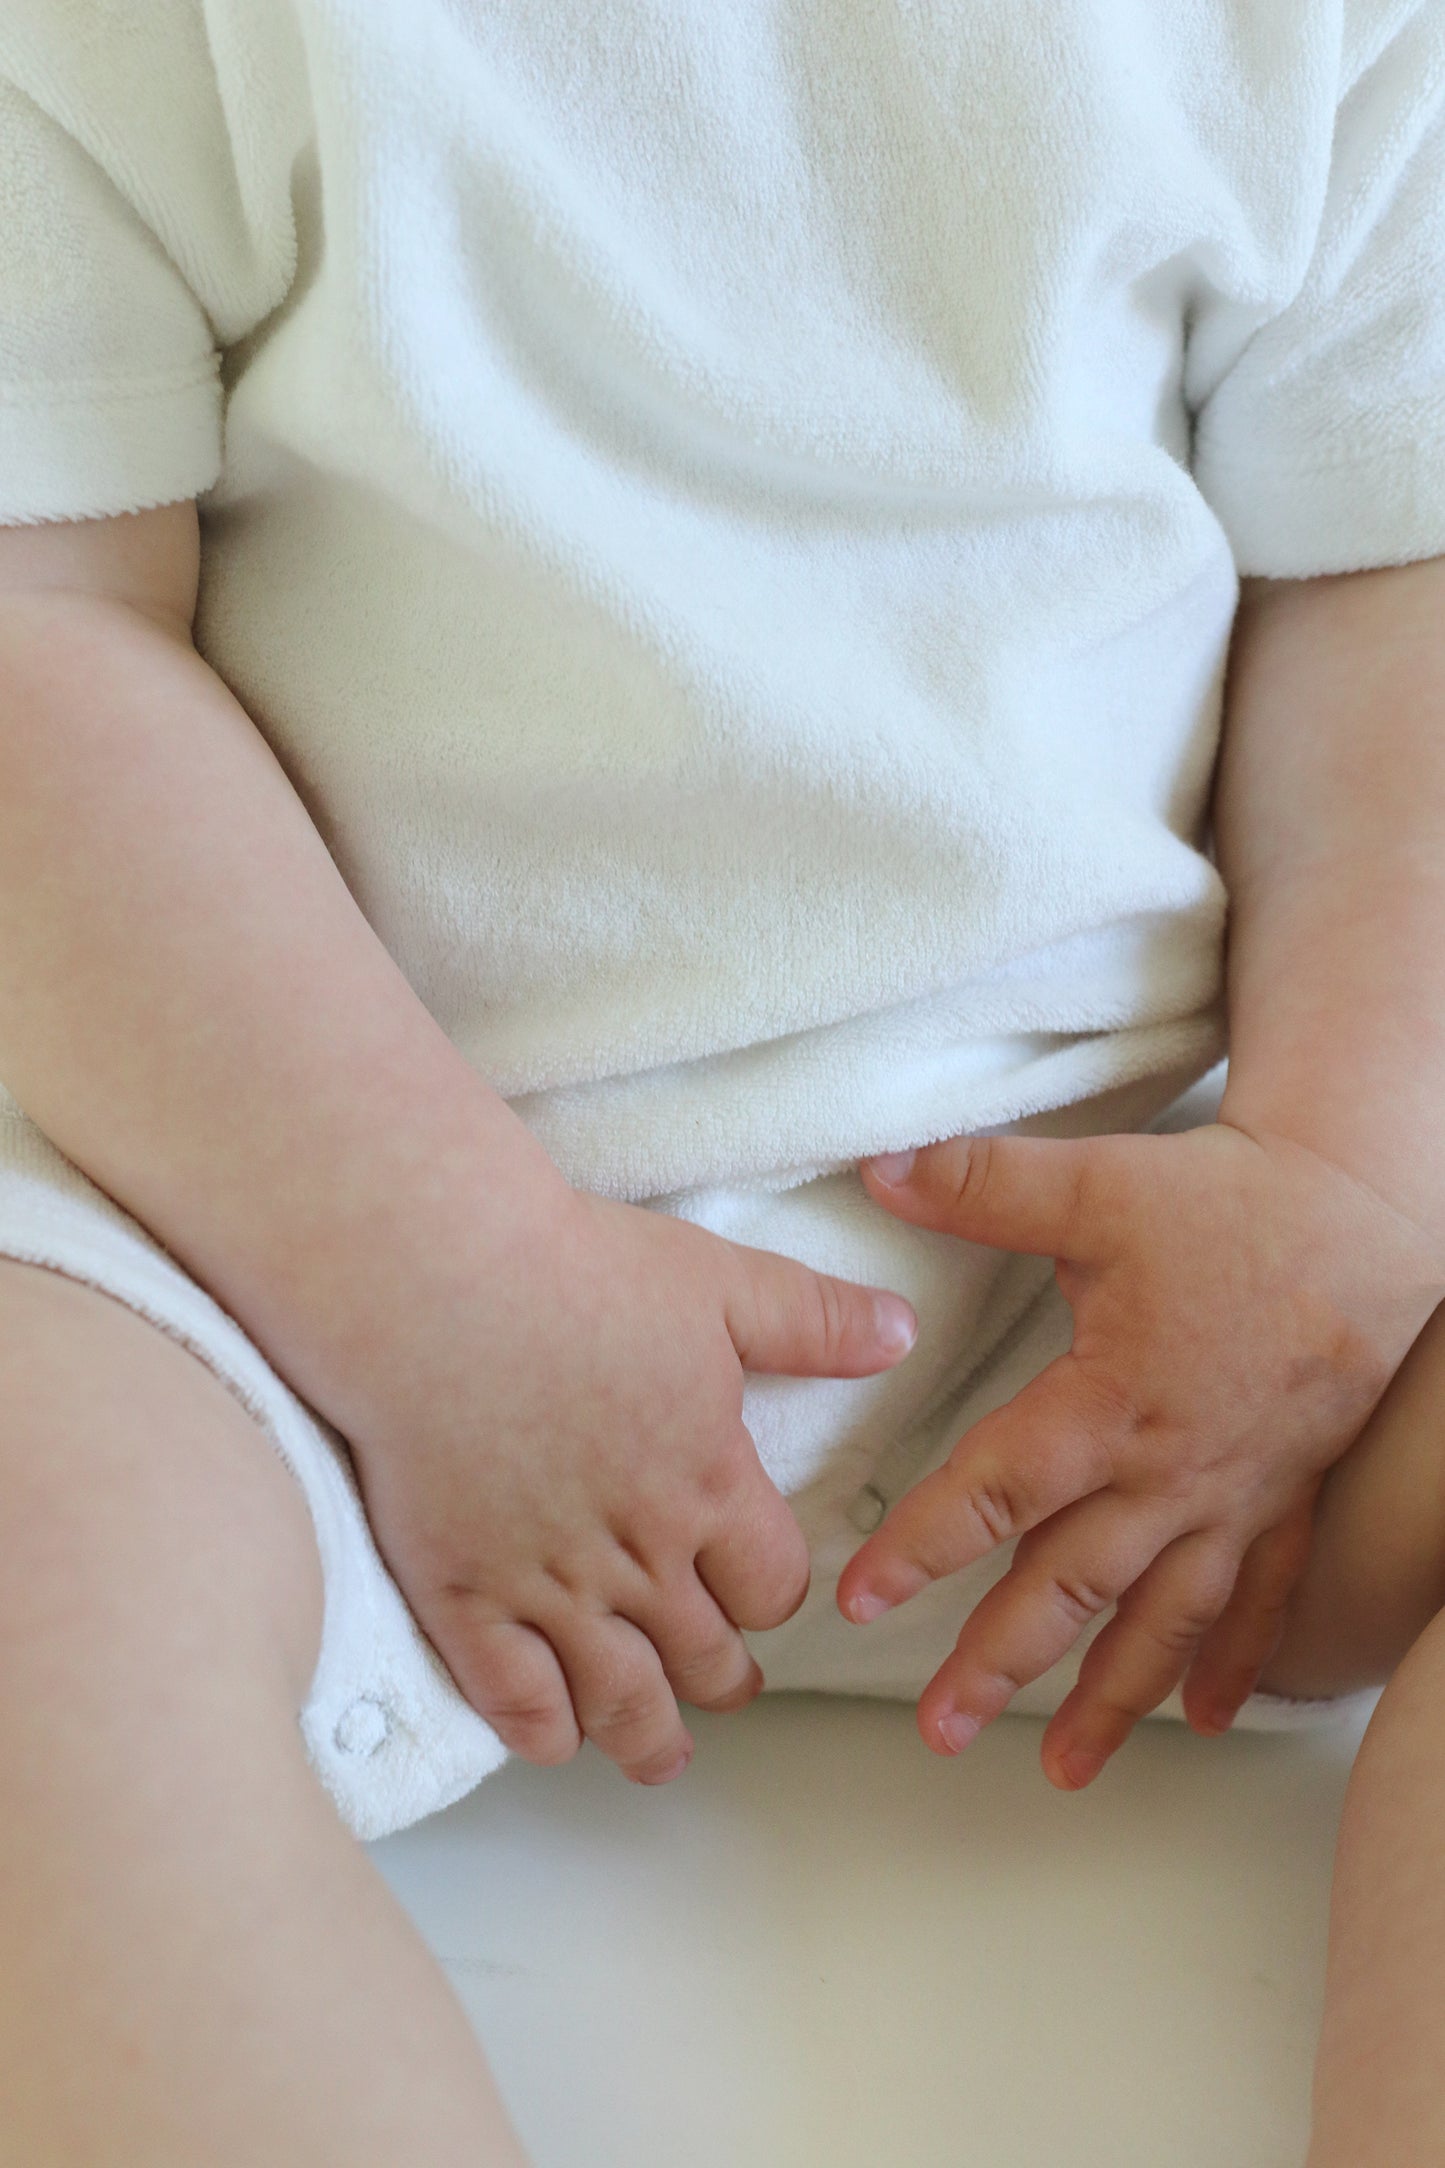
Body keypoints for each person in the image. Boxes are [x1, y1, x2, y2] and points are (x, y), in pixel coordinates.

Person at [0, 2, 1442, 2160]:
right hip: (299, 1238)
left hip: (1148, 1279)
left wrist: (1341, 1189)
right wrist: (429, 1276)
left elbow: (1389, 603)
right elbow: (42, 634)